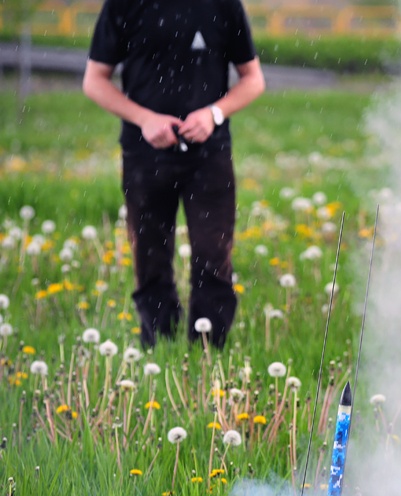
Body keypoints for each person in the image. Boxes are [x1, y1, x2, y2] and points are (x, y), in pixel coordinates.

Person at [83, 0, 265, 348]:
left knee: (213, 256)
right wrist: (144, 119)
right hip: (143, 155)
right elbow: (94, 81)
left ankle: (209, 354)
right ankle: (158, 350)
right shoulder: (123, 5)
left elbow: (253, 79)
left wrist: (214, 113)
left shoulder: (224, 5)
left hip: (210, 156)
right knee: (150, 259)